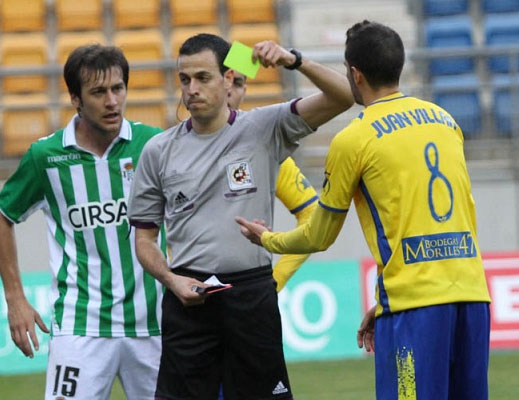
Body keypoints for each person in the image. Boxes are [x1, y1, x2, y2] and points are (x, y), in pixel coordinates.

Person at [236, 20, 491, 400]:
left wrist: (267, 239)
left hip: (414, 309)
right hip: (472, 299)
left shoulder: (354, 138)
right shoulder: (445, 121)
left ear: (355, 74)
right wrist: (384, 303)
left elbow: (318, 236)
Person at [127, 33, 353, 400]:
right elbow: (144, 240)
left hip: (251, 296)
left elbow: (346, 96)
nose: (192, 89)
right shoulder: (158, 151)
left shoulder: (265, 127)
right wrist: (170, 279)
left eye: (203, 77)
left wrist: (294, 61)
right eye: (185, 80)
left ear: (228, 78)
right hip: (188, 298)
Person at [0, 45, 165, 399]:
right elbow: (2, 214)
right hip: (81, 325)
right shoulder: (46, 156)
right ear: (75, 99)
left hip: (154, 323)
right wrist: (14, 297)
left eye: (118, 89)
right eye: (98, 92)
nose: (111, 101)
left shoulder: (152, 145)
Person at [227, 70, 318, 291]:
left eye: (237, 83)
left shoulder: (265, 148)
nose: (228, 90)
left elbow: (313, 215)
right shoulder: (175, 148)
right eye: (223, 80)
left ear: (245, 90)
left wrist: (276, 280)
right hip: (191, 297)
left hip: (249, 296)